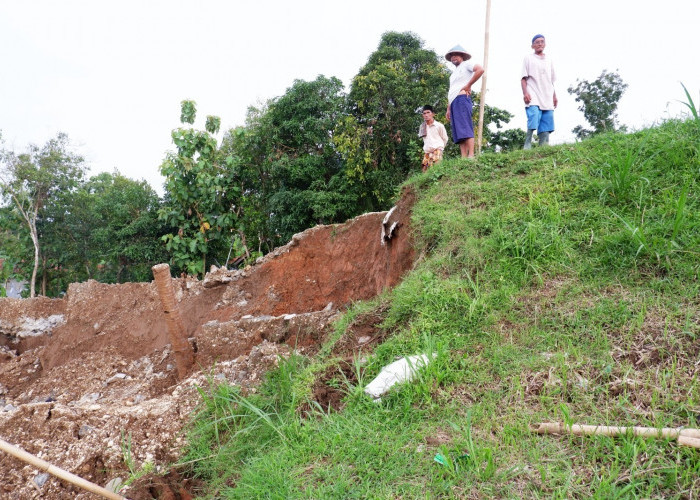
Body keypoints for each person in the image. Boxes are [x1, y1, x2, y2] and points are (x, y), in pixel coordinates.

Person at [444, 45, 484, 158]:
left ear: (462, 56)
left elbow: (480, 69)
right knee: (458, 130)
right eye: (451, 55)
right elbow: (451, 90)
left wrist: (468, 85)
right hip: (453, 102)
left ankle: (471, 155)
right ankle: (463, 157)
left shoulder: (466, 64)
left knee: (465, 126)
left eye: (456, 55)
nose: (453, 57)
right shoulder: (452, 75)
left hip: (462, 99)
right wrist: (448, 108)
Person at [521, 34, 557, 149]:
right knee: (534, 115)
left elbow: (551, 80)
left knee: (547, 119)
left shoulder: (549, 60)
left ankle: (543, 146)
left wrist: (554, 96)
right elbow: (523, 78)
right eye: (537, 42)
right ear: (532, 45)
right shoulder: (528, 58)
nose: (540, 44)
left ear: (545, 44)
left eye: (542, 41)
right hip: (533, 91)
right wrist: (525, 93)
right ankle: (528, 142)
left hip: (547, 93)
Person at [418, 105, 448, 172]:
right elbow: (424, 140)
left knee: (437, 172)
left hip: (437, 151)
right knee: (424, 173)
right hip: (427, 152)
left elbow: (445, 139)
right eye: (424, 113)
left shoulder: (439, 125)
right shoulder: (422, 127)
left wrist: (440, 149)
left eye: (428, 112)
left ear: (433, 114)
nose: (426, 115)